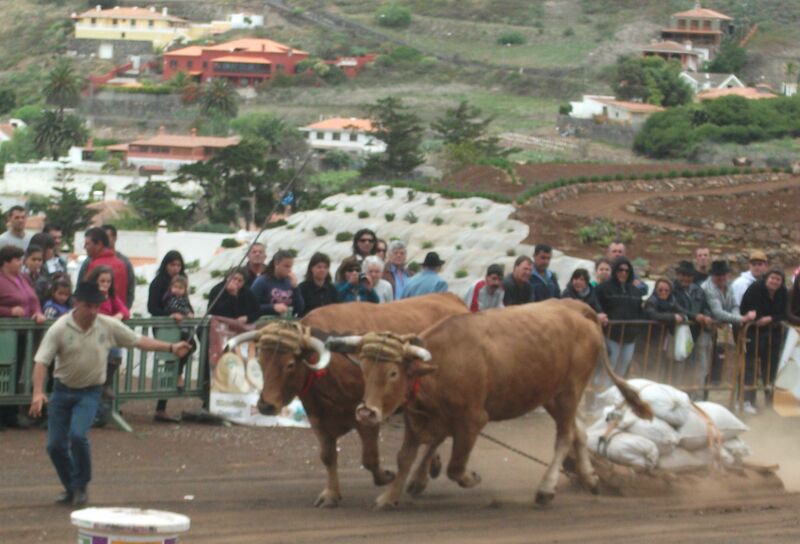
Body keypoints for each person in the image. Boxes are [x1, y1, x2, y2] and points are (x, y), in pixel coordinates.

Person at [28, 281, 191, 507]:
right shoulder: (60, 327)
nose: (94, 311)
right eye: (89, 306)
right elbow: (41, 361)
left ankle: (81, 485)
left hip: (90, 392)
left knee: (77, 436)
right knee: (54, 445)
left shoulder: (107, 325)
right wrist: (38, 392)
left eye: (97, 306)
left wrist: (171, 348)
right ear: (76, 303)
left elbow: (138, 341)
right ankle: (71, 486)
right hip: (62, 390)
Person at [0, 244, 46, 428]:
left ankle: (10, 414)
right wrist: (9, 310)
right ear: (6, 262)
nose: (21, 263)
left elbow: (33, 300)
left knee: (16, 372)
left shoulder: (24, 278)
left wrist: (37, 312)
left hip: (22, 334)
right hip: (5, 335)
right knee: (2, 373)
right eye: (17, 259)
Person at [739, 268, 788, 414]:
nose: (774, 281)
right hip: (753, 332)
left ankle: (770, 401)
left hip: (773, 335)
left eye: (778, 279)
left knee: (771, 368)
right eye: (772, 278)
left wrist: (771, 318)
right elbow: (749, 310)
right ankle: (747, 400)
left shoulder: (783, 292)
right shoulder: (755, 289)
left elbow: (784, 313)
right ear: (766, 278)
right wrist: (762, 318)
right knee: (751, 367)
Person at [596, 257, 644, 383]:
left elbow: (640, 311)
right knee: (608, 369)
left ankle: (615, 398)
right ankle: (600, 399)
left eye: (626, 271)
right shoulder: (603, 288)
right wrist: (600, 314)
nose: (623, 273)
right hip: (611, 335)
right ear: (615, 271)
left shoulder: (635, 291)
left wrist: (637, 330)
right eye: (620, 270)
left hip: (629, 338)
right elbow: (595, 304)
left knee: (621, 370)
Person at [673, 261, 715, 394]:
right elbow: (675, 307)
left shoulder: (698, 290)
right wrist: (695, 316)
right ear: (677, 274)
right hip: (678, 334)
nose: (685, 278)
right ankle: (677, 394)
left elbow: (706, 306)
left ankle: (697, 395)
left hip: (697, 332)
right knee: (679, 366)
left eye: (689, 275)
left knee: (699, 366)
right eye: (683, 275)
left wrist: (707, 316)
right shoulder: (671, 289)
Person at [82, 228, 129, 311]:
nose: (85, 247)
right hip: (118, 316)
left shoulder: (94, 265)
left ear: (99, 244)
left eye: (88, 244)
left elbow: (86, 296)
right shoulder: (121, 264)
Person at [162, 275, 195, 393]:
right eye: (175, 287)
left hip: (184, 330)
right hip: (175, 331)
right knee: (186, 347)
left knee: (191, 346)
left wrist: (189, 313)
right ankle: (177, 375)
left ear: (185, 290)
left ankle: (178, 372)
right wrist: (184, 313)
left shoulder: (185, 300)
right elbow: (171, 308)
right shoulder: (170, 298)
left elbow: (190, 311)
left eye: (180, 288)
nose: (177, 289)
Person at [251, 250, 304, 317]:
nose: (289, 270)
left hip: (286, 321)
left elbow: (299, 309)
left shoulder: (290, 282)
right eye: (286, 266)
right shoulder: (262, 281)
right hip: (265, 322)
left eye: (291, 267)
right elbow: (250, 307)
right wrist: (272, 307)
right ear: (276, 264)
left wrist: (295, 287)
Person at [148, 251, 186, 318]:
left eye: (178, 265)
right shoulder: (157, 282)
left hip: (181, 324)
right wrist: (170, 315)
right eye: (172, 265)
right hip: (162, 324)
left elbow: (186, 301)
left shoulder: (182, 281)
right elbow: (152, 308)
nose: (176, 268)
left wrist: (189, 312)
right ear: (165, 265)